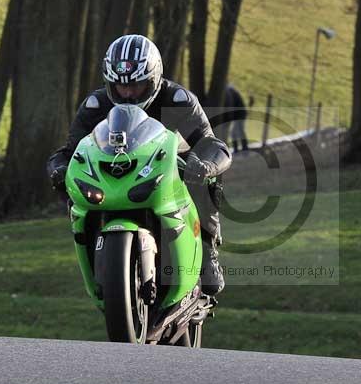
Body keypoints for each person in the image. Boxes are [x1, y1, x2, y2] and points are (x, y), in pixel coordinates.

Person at [47, 34, 232, 296]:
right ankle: (95, 254)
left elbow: (214, 145)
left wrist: (203, 165)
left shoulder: (178, 100)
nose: (129, 93)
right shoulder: (96, 105)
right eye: (120, 87)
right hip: (116, 177)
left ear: (154, 78)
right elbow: (70, 151)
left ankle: (208, 248)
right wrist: (59, 170)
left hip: (172, 172)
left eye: (137, 85)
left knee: (209, 176)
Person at [224, 83, 248, 153]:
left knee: (236, 132)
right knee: (238, 132)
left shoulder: (227, 91)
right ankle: (241, 148)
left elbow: (230, 105)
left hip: (240, 114)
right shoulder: (229, 89)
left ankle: (241, 149)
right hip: (239, 114)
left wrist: (229, 118)